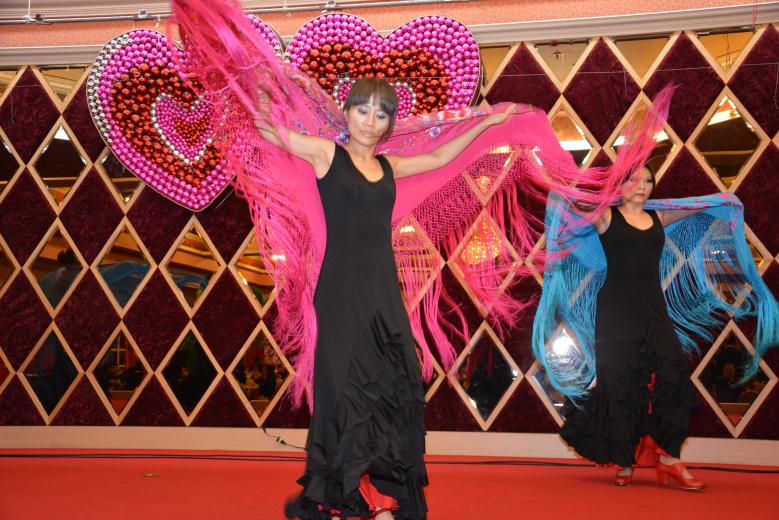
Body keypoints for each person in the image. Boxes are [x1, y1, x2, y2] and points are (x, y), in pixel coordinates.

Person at [256, 78, 514, 519]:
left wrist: (487, 123)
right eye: (363, 111)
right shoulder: (326, 154)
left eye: (381, 114)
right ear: (346, 113)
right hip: (339, 292)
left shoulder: (390, 167)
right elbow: (268, 131)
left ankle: (384, 498)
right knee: (343, 394)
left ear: (389, 123)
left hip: (382, 291)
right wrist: (260, 87)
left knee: (392, 387)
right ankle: (338, 497)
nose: (370, 122)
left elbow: (441, 157)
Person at [555, 165, 706, 490]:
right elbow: (569, 200)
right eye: (634, 180)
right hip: (615, 312)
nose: (642, 186)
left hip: (653, 309)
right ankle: (624, 460)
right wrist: (564, 178)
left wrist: (723, 200)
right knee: (621, 384)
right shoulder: (605, 217)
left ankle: (670, 459)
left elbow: (698, 206)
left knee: (674, 374)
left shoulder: (659, 218)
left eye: (648, 180)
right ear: (620, 185)